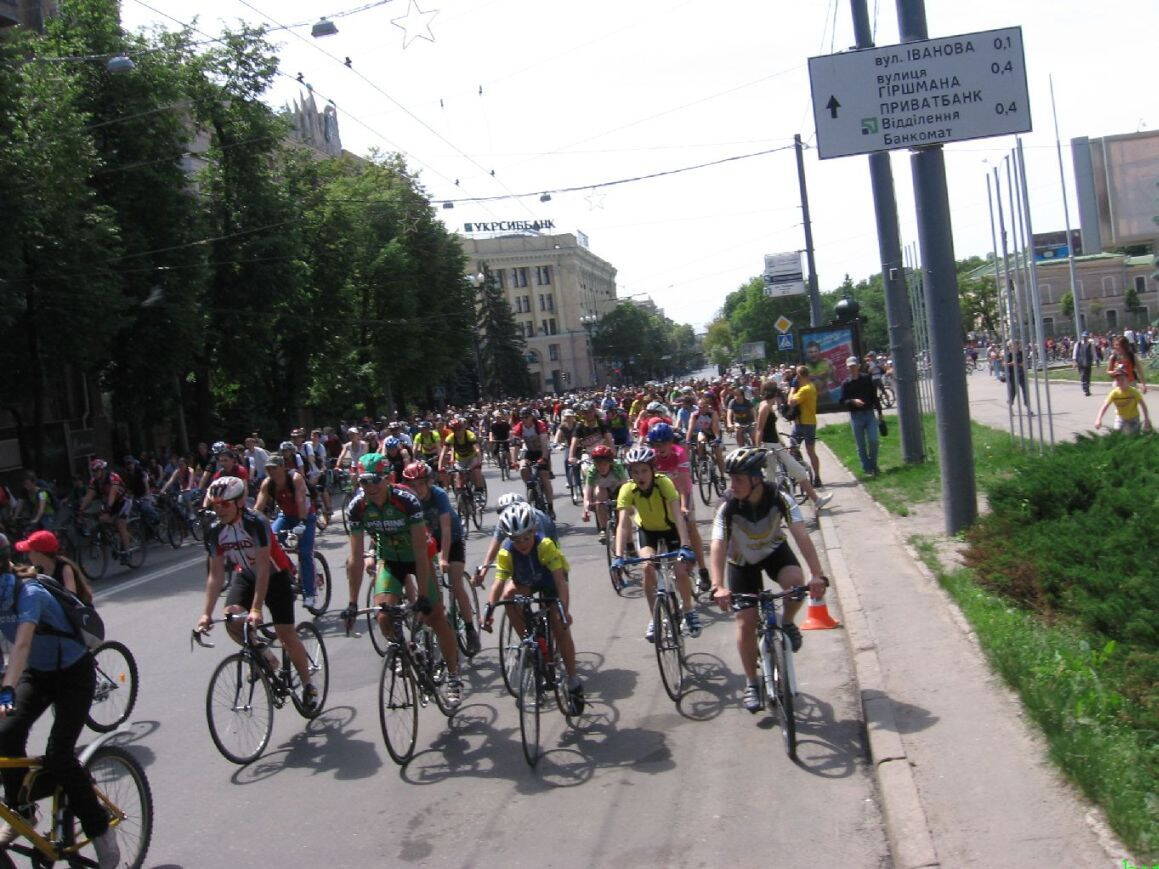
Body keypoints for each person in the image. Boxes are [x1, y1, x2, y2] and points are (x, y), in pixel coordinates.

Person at [0, 534, 120, 866]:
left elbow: (22, 644)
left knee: (59, 755)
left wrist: (7, 689)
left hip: (73, 674)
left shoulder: (29, 593)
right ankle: (23, 810)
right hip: (38, 674)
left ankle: (99, 829)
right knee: (6, 735)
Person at [708, 448, 829, 713]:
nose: (732, 485)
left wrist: (817, 574)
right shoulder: (727, 506)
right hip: (741, 561)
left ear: (756, 479)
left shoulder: (779, 498)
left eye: (738, 479)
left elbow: (801, 535)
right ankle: (752, 682)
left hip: (774, 552)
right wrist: (718, 585)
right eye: (731, 479)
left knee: (796, 586)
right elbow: (717, 544)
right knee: (746, 621)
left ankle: (787, 623)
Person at [342, 454, 462, 707]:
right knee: (383, 616)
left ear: (387, 479)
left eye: (375, 480)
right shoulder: (357, 506)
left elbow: (420, 549)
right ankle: (405, 651)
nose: (370, 487)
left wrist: (423, 596)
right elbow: (354, 558)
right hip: (390, 559)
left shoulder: (406, 499)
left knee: (435, 616)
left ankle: (453, 675)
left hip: (419, 556)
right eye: (364, 482)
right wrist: (352, 603)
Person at [195, 477, 319, 710]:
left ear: (239, 503)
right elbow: (216, 575)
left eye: (225, 504)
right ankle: (266, 658)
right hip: (246, 574)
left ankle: (308, 684)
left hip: (276, 575)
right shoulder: (214, 530)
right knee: (232, 619)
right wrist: (206, 614)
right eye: (215, 505)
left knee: (286, 635)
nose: (219, 509)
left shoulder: (256, 522)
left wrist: (256, 608)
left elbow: (263, 566)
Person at [481, 503, 584, 713]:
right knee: (508, 597)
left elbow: (560, 581)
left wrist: (564, 611)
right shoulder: (506, 552)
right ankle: (528, 641)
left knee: (559, 625)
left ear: (534, 531)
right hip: (526, 579)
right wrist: (488, 611)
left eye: (526, 538)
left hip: (549, 579)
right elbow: (498, 583)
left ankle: (573, 680)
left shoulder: (545, 545)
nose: (522, 544)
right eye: (516, 540)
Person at [611, 445, 700, 641]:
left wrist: (685, 545)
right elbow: (623, 525)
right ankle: (655, 617)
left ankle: (688, 610)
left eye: (644, 470)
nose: (640, 476)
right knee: (647, 568)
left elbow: (678, 516)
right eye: (635, 472)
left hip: (671, 530)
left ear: (652, 470)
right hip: (647, 532)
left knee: (680, 570)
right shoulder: (627, 489)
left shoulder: (664, 483)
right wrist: (618, 556)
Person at [400, 461, 481, 656]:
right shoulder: (407, 500)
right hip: (427, 542)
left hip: (451, 539)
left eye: (421, 484)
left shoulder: (439, 495)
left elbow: (445, 528)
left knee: (455, 583)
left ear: (429, 482)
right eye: (412, 485)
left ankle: (470, 628)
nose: (417, 489)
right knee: (429, 587)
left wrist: (444, 558)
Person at [754, 380, 831, 510]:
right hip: (769, 447)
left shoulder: (766, 405)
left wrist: (780, 442)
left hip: (774, 445)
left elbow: (769, 428)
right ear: (775, 392)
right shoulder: (765, 407)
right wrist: (758, 450)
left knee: (775, 477)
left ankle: (815, 500)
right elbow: (759, 429)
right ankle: (766, 510)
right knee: (786, 474)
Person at [253, 455, 318, 609]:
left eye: (274, 468)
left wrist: (302, 522)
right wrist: (251, 522)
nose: (271, 472)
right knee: (270, 543)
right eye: (268, 469)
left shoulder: (295, 478)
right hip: (286, 516)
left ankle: (310, 593)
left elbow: (301, 500)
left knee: (304, 553)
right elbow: (258, 507)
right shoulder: (268, 483)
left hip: (305, 516)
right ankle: (290, 569)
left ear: (283, 467)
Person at [838, 357, 882, 476]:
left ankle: (873, 465)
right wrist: (853, 401)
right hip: (855, 416)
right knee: (861, 444)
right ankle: (867, 468)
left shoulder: (867, 379)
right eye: (850, 367)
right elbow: (842, 401)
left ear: (858, 366)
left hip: (869, 414)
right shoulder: (846, 383)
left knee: (873, 440)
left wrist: (880, 413)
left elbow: (874, 396)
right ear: (847, 368)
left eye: (854, 366)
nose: (852, 368)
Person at [788, 366, 823, 487]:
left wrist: (792, 388)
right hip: (809, 423)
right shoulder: (810, 386)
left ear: (800, 376)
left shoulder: (805, 389)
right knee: (810, 451)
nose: (796, 378)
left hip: (802, 424)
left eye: (797, 375)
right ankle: (817, 477)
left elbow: (791, 402)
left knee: (792, 449)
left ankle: (796, 476)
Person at [1094, 369, 1152, 435]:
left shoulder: (1133, 392)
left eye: (1122, 379)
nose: (1120, 382)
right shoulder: (1114, 393)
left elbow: (1143, 405)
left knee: (1134, 437)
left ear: (1128, 380)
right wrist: (1098, 419)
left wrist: (1146, 419)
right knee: (1116, 435)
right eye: (1117, 380)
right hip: (1120, 418)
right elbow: (1104, 406)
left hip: (1133, 418)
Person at [1073, 331, 1096, 397]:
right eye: (1084, 337)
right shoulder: (1078, 344)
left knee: (1088, 376)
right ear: (1082, 337)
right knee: (1083, 376)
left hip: (1088, 363)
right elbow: (1074, 353)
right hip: (1080, 362)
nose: (1085, 338)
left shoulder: (1090, 344)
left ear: (1088, 337)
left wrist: (1095, 360)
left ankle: (1087, 389)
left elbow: (1093, 353)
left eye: (1086, 337)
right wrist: (1074, 361)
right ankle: (1085, 389)